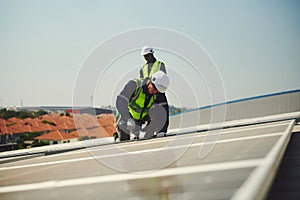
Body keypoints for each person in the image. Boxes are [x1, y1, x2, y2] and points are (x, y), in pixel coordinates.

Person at [114, 71, 170, 141]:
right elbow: (120, 101)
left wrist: (162, 131)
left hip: (141, 120)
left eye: (157, 91)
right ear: (150, 82)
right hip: (126, 117)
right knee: (124, 140)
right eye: (154, 88)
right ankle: (118, 135)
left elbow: (164, 111)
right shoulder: (134, 85)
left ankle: (146, 133)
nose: (155, 92)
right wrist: (128, 118)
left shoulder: (158, 93)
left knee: (159, 109)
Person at [139, 46, 169, 134]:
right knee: (150, 112)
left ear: (151, 54)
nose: (145, 57)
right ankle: (151, 130)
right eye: (144, 56)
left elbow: (163, 78)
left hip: (158, 91)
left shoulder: (160, 65)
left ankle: (162, 131)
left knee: (163, 110)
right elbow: (141, 81)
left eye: (147, 55)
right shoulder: (142, 69)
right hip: (148, 93)